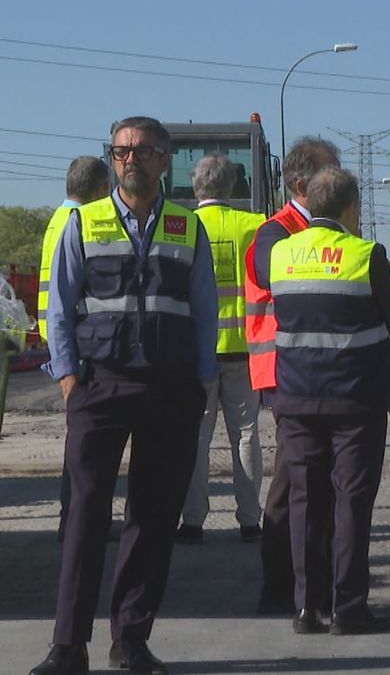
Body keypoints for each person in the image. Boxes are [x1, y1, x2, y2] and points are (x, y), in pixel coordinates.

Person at [31, 116, 217, 675]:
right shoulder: (83, 223)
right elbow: (59, 308)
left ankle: (131, 640)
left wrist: (201, 383)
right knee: (85, 514)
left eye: (141, 150)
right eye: (120, 151)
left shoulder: (188, 227)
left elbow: (205, 311)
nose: (129, 159)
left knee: (153, 516)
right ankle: (68, 647)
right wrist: (68, 379)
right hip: (98, 385)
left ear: (165, 159)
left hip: (169, 389)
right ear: (111, 160)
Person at [269, 165, 390, 636]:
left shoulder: (281, 253)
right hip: (355, 400)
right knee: (351, 502)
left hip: (297, 398)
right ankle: (349, 608)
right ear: (351, 208)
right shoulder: (367, 254)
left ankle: (307, 608)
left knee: (305, 501)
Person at [245, 136, 341, 615]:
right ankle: (279, 588)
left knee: (312, 483)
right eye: (331, 176)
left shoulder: (312, 230)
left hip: (312, 371)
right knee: (291, 485)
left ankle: (309, 587)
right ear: (302, 184)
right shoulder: (275, 232)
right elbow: (272, 276)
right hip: (286, 374)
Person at [179, 154, 266, 545]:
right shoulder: (254, 226)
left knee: (196, 437)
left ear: (195, 187)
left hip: (198, 352)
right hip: (244, 350)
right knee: (246, 435)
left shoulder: (182, 226)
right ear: (232, 187)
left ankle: (193, 522)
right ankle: (250, 521)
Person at [38, 156, 111, 544]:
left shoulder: (57, 218)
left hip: (60, 339)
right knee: (84, 441)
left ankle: (77, 518)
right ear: (100, 190)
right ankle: (78, 520)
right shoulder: (77, 223)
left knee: (80, 438)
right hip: (75, 345)